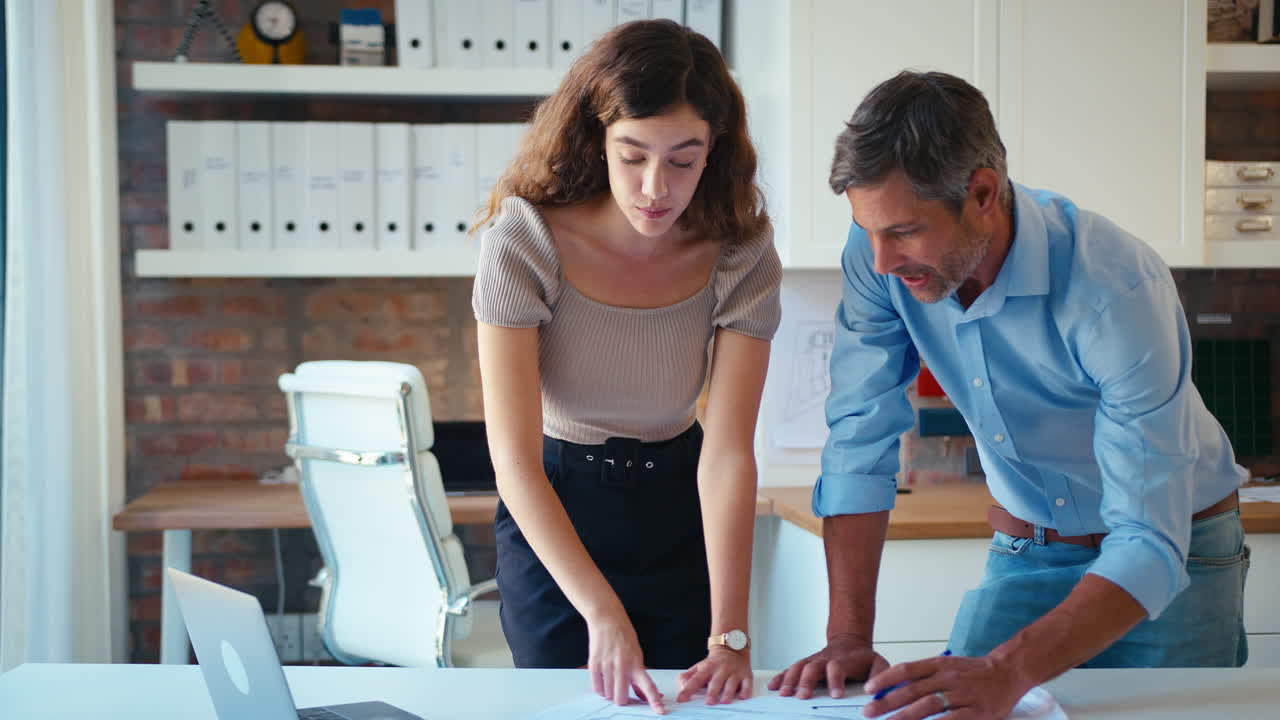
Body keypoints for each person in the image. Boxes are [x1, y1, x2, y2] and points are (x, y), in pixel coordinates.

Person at [768, 70, 1250, 719]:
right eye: (868, 229)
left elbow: (1147, 541)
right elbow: (860, 438)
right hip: (1028, 552)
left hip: (1177, 553)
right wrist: (848, 638)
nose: (880, 261)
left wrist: (1009, 669)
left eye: (905, 231)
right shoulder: (877, 252)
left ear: (984, 194)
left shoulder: (1113, 288)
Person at [470, 20, 781, 714]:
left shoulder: (740, 250)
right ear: (596, 138)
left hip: (677, 510)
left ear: (716, 151)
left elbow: (727, 452)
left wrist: (730, 632)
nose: (654, 187)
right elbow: (514, 463)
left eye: (683, 158)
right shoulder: (524, 238)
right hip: (557, 514)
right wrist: (602, 614)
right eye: (631, 154)